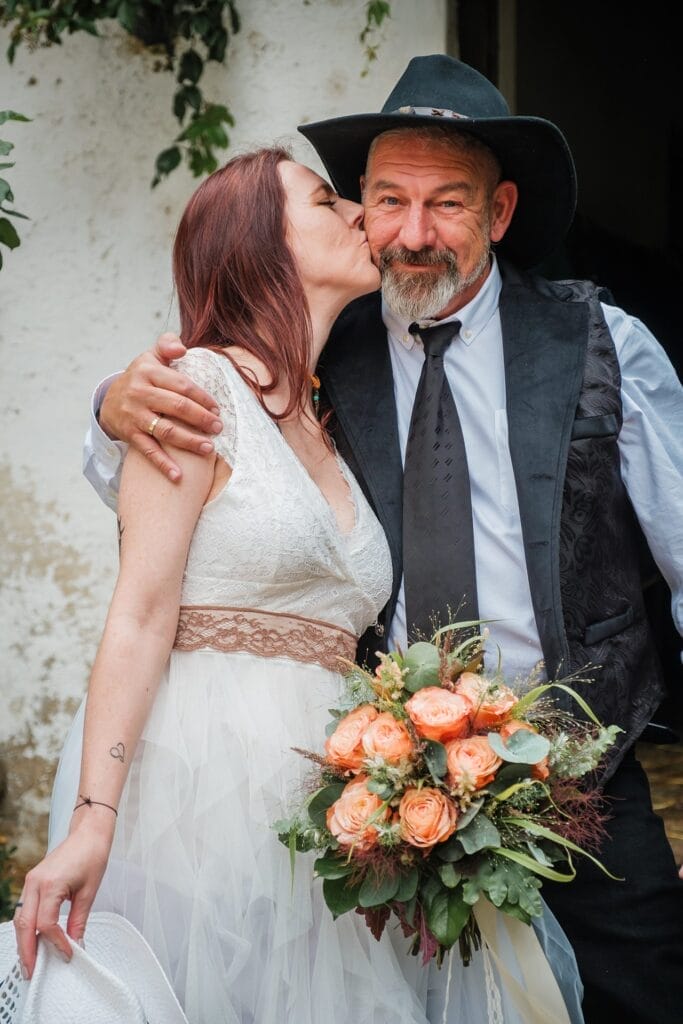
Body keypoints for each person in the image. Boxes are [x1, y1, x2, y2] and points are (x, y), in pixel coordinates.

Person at [86, 55, 683, 1024]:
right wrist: (110, 406)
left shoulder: (602, 343)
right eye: (385, 199)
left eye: (445, 203)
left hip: (587, 789)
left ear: (497, 212)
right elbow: (201, 435)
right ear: (359, 208)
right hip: (387, 812)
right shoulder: (327, 349)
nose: (409, 234)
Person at [11, 146, 585, 1023]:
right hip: (202, 784)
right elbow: (138, 613)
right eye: (328, 201)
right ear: (258, 245)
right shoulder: (196, 389)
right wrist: (95, 817)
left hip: (332, 809)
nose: (362, 213)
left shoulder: (323, 418)